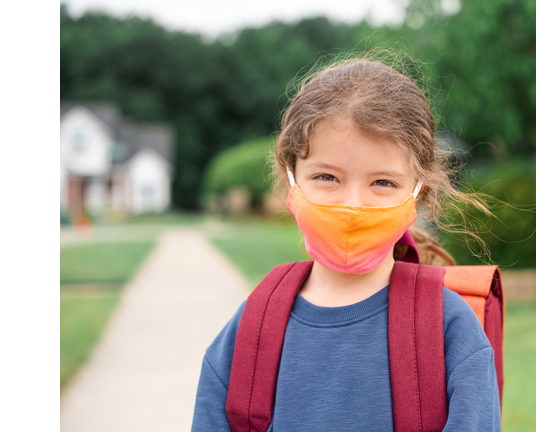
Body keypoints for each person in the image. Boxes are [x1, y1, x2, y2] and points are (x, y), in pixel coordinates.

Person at [191, 57, 501, 431]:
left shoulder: (450, 330)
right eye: (327, 177)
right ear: (292, 180)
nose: (353, 205)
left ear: (419, 192)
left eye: (383, 183)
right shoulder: (250, 334)